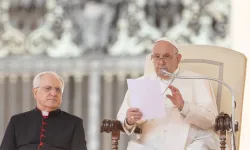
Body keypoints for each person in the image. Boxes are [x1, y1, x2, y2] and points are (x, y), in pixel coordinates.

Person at [117, 38, 220, 150]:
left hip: (190, 143)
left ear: (178, 58)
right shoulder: (141, 83)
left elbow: (210, 120)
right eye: (156, 57)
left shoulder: (197, 80)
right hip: (150, 144)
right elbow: (122, 118)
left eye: (166, 56)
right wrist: (129, 120)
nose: (161, 62)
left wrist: (183, 106)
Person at [0, 71, 87, 150]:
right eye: (47, 88)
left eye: (58, 90)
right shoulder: (17, 121)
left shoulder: (74, 123)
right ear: (35, 93)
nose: (53, 93)